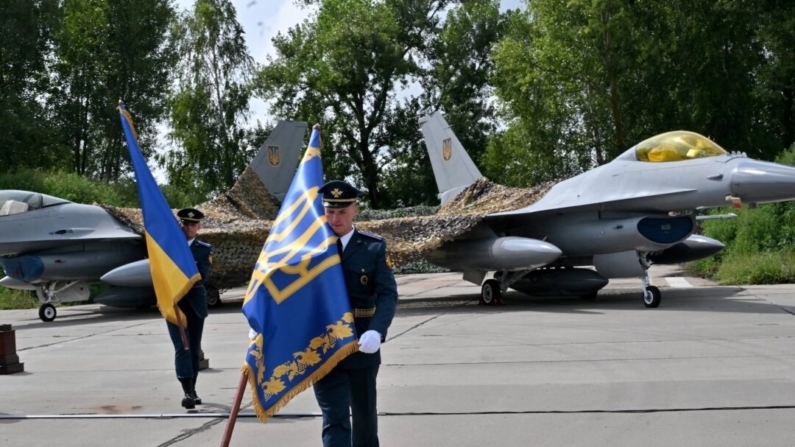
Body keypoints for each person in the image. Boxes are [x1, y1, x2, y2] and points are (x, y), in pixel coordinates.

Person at [312, 180, 398, 447]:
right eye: (330, 211)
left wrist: (377, 329)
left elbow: (387, 294)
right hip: (323, 343)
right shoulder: (310, 249)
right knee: (334, 416)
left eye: (342, 211)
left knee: (364, 416)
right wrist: (266, 322)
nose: (335, 218)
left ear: (355, 210)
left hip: (362, 343)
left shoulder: (373, 247)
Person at [168, 207, 213, 410]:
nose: (189, 227)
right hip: (175, 304)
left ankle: (193, 389)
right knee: (182, 347)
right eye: (185, 223)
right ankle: (186, 391)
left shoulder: (204, 249)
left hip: (195, 303)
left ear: (199, 227)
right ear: (181, 225)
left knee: (194, 349)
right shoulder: (168, 247)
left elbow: (202, 275)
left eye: (193, 224)